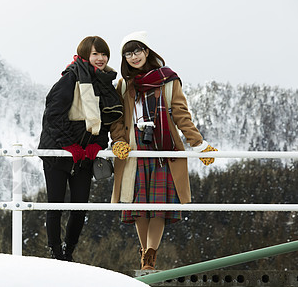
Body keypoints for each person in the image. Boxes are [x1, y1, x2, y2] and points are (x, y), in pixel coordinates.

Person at [110, 31, 217, 270]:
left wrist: (198, 144)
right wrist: (118, 140)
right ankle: (143, 251)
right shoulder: (124, 84)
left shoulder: (169, 80)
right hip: (134, 149)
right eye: (128, 53)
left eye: (137, 51)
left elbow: (181, 115)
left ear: (147, 51)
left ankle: (150, 255)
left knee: (158, 205)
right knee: (139, 205)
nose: (133, 57)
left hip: (162, 148)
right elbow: (116, 119)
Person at [38, 36, 123, 261]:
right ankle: (55, 252)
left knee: (80, 206)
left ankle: (69, 251)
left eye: (104, 54)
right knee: (55, 204)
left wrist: (98, 144)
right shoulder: (70, 79)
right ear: (85, 55)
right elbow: (53, 116)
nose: (101, 58)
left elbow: (104, 121)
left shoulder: (104, 83)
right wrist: (69, 145)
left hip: (84, 154)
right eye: (95, 54)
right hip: (57, 153)